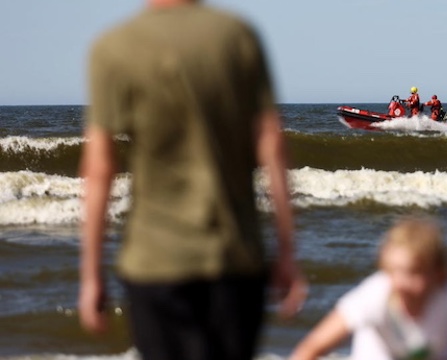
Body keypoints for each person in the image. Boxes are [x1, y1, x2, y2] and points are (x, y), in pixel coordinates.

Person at [78, 1, 307, 360]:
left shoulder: (113, 47)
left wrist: (91, 274)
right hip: (234, 256)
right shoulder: (237, 36)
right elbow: (271, 142)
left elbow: (99, 168)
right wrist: (287, 251)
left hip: (153, 260)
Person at [289, 217, 447, 360]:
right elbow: (310, 349)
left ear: (440, 274)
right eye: (394, 272)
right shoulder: (372, 296)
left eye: (414, 274)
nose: (402, 282)